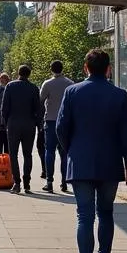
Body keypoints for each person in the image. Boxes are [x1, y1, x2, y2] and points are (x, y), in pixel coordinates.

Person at [56, 49, 127, 253]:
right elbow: (126, 133)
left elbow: (61, 127)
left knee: (84, 216)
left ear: (85, 68)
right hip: (110, 163)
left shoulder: (72, 92)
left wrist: (71, 150)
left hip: (80, 162)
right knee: (106, 213)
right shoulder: (119, 95)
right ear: (109, 68)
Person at [1, 65, 43, 193]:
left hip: (13, 124)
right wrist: (37, 123)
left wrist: (5, 122)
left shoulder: (10, 86)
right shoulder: (34, 88)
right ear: (29, 74)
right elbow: (39, 109)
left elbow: (4, 107)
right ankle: (27, 183)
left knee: (13, 154)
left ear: (18, 73)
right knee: (27, 154)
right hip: (29, 125)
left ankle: (17, 183)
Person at [39, 60, 75, 193]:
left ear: (51, 69)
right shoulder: (70, 84)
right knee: (64, 152)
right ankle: (64, 182)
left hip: (51, 120)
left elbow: (41, 100)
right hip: (66, 122)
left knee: (49, 151)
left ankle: (49, 181)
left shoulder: (47, 84)